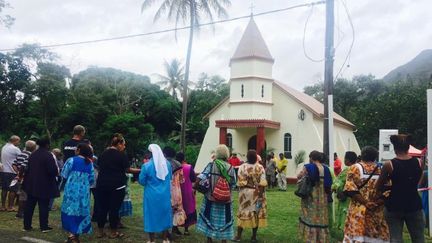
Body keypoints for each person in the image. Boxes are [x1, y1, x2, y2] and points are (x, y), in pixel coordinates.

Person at [376, 134, 425, 243]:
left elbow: (378, 186)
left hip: (394, 205)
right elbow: (418, 181)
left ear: (394, 148)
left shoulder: (389, 165)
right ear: (408, 147)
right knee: (419, 238)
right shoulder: (419, 162)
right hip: (414, 204)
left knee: (395, 239)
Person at [343, 146, 389, 242]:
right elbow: (388, 190)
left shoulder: (354, 168)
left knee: (357, 236)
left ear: (362, 155)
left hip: (358, 211)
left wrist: (365, 202)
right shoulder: (382, 169)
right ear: (375, 157)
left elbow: (350, 189)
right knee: (374, 237)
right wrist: (376, 203)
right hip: (376, 211)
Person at [196, 144, 237, 243]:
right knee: (225, 220)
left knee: (209, 218)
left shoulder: (212, 165)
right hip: (226, 200)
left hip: (211, 197)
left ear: (217, 154)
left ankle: (209, 239)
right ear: (227, 154)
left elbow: (201, 177)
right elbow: (233, 183)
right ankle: (224, 240)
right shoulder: (231, 168)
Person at [95, 133, 130, 239]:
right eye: (123, 144)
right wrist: (141, 170)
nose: (124, 147)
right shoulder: (121, 155)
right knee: (114, 210)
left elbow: (99, 167)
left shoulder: (103, 154)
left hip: (102, 185)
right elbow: (127, 169)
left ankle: (100, 232)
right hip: (117, 186)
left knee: (102, 209)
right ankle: (113, 232)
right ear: (119, 143)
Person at [23, 138, 59, 232]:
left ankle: (27, 226)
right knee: (43, 206)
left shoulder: (32, 154)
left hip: (31, 184)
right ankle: (44, 226)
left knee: (29, 205)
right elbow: (53, 170)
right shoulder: (48, 155)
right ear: (47, 145)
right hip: (44, 185)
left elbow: (27, 168)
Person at [61, 143, 95, 243]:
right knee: (81, 210)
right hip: (84, 192)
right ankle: (76, 236)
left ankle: (71, 236)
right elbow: (92, 179)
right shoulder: (90, 163)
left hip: (71, 191)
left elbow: (64, 174)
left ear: (79, 150)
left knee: (70, 210)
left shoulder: (71, 160)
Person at [139, 144, 172, 243]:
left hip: (151, 195)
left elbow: (141, 181)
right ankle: (165, 238)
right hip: (165, 195)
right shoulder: (168, 164)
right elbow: (170, 177)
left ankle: (152, 240)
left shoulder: (146, 166)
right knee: (165, 214)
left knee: (150, 215)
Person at [297, 151, 332, 243]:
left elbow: (299, 176)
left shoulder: (308, 167)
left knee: (310, 215)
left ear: (311, 158)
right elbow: (328, 185)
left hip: (310, 196)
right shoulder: (326, 169)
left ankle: (310, 238)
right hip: (322, 196)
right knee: (321, 217)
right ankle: (320, 238)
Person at [233, 150, 267, 243]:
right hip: (258, 193)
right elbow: (263, 183)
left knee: (243, 212)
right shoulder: (260, 167)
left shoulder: (242, 167)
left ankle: (238, 236)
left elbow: (240, 183)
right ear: (256, 157)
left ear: (247, 157)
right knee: (256, 213)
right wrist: (261, 195)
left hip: (245, 194)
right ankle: (254, 237)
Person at [163, 146, 186, 236]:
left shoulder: (163, 163)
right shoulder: (178, 164)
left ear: (164, 154)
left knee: (165, 209)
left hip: (165, 189)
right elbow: (182, 180)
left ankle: (165, 231)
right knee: (176, 210)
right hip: (176, 190)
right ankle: (175, 228)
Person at [331, 151, 357, 230]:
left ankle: (344, 234)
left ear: (348, 160)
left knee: (344, 213)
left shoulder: (347, 169)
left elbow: (338, 181)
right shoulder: (357, 168)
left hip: (346, 196)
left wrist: (333, 188)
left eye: (345, 158)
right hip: (355, 195)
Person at [12, 140, 37, 218]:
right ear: (33, 147)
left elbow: (14, 164)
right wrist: (21, 174)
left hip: (20, 176)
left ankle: (20, 212)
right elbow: (24, 166)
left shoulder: (20, 154)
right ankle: (22, 213)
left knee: (21, 195)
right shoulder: (31, 155)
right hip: (26, 178)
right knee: (25, 196)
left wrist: (18, 173)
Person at [177, 152, 197, 235]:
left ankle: (175, 227)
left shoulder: (174, 166)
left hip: (177, 191)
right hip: (187, 191)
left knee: (177, 208)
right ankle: (186, 229)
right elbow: (193, 179)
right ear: (184, 159)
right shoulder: (188, 167)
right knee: (187, 209)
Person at [1, 135, 21, 212]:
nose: (19, 143)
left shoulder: (4, 147)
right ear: (15, 140)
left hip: (3, 171)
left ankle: (2, 206)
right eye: (18, 141)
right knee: (12, 190)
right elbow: (21, 158)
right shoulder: (15, 149)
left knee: (4, 189)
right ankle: (10, 206)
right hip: (12, 171)